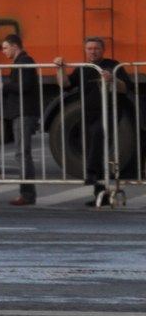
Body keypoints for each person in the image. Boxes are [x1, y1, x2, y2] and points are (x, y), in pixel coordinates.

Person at [54, 37, 135, 207]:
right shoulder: (84, 69)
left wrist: (112, 78)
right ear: (85, 50)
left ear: (103, 50)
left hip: (110, 112)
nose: (93, 51)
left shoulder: (113, 65)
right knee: (93, 148)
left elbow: (126, 87)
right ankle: (101, 193)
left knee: (99, 134)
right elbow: (66, 85)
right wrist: (60, 68)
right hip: (89, 114)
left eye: (96, 48)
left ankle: (91, 173)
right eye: (89, 48)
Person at [0, 33, 43, 205]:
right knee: (22, 153)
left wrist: (3, 85)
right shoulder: (21, 62)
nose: (3, 51)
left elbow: (24, 86)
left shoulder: (25, 61)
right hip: (21, 112)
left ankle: (27, 194)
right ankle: (27, 193)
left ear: (14, 46)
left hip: (24, 112)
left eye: (4, 47)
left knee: (22, 153)